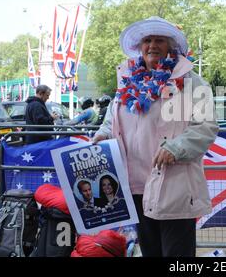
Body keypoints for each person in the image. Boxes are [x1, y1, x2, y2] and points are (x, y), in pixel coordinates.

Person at [93, 16, 219, 257]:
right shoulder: (126, 83)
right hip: (135, 185)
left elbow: (206, 126)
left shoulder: (192, 83)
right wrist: (101, 136)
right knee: (150, 252)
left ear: (170, 46)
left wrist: (176, 148)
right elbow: (112, 122)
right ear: (140, 47)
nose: (152, 45)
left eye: (159, 40)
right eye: (147, 40)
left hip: (174, 186)